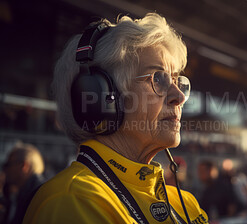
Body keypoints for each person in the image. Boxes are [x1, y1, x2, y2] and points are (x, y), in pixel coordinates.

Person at [23, 13, 208, 224]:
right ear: (103, 98)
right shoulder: (73, 201)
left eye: (177, 80)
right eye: (159, 78)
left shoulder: (186, 204)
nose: (180, 97)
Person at [2, 142, 45, 224]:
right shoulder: (22, 193)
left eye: (8, 164)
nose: (4, 169)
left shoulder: (36, 195)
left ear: (24, 166)